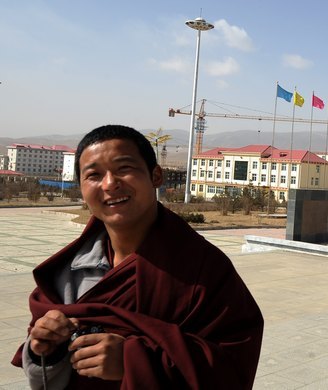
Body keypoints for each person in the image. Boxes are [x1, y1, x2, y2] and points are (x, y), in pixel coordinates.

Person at [12, 125, 264, 389]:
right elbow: (45, 379)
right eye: (94, 175)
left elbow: (232, 368)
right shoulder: (67, 274)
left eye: (124, 169)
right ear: (82, 189)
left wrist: (133, 362)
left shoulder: (204, 269)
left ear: (156, 175)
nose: (110, 184)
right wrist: (45, 352)